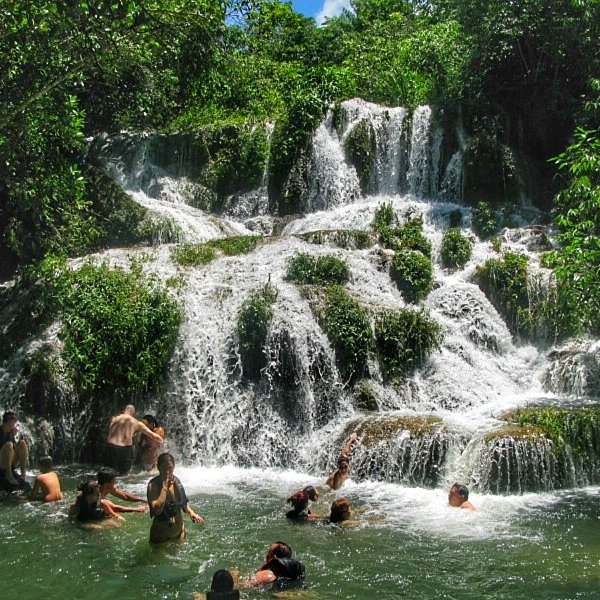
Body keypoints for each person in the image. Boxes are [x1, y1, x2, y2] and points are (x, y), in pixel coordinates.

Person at [147, 452, 204, 543]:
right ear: (158, 467)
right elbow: (157, 509)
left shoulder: (176, 481)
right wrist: (165, 487)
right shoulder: (153, 485)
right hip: (161, 537)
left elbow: (181, 502)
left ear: (174, 467)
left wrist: (192, 513)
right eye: (163, 468)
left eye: (170, 468)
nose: (167, 472)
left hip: (180, 532)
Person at [105, 405, 163, 475]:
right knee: (124, 474)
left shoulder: (114, 418)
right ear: (134, 414)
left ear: (123, 411)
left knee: (108, 472)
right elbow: (153, 435)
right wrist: (162, 441)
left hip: (110, 447)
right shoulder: (135, 422)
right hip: (125, 449)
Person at [235, 542, 305, 589]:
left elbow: (240, 586)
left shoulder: (267, 574)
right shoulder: (291, 571)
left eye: (269, 552)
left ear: (272, 558)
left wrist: (235, 575)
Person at [0, 411, 29, 488]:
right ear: (5, 422)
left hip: (10, 462)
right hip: (1, 463)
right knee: (9, 444)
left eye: (14, 423)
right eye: (10, 423)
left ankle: (23, 474)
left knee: (22, 443)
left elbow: (14, 449)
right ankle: (8, 475)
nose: (12, 425)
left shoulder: (10, 432)